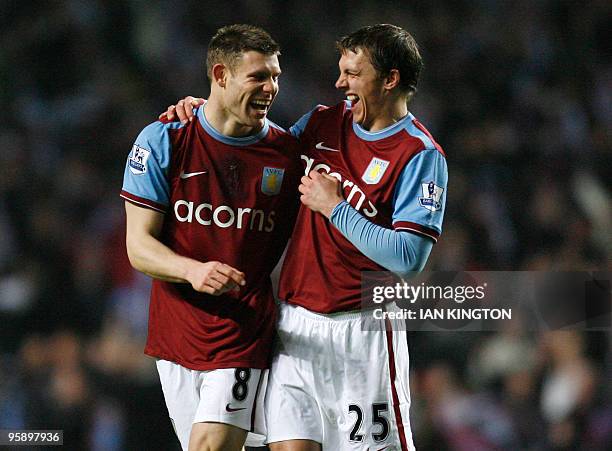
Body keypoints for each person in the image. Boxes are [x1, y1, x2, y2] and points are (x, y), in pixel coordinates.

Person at [166, 24, 448, 451]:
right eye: (341, 71)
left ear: (389, 79)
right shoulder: (321, 124)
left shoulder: (419, 154)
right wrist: (208, 112)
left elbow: (408, 257)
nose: (340, 83)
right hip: (295, 325)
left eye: (353, 73)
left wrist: (335, 208)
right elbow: (258, 149)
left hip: (363, 333)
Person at [121, 24, 301, 451]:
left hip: (243, 332)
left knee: (210, 447)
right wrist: (192, 270)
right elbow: (138, 246)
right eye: (259, 76)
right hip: (175, 334)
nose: (272, 87)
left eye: (276, 76)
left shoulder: (288, 156)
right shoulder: (164, 139)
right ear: (221, 76)